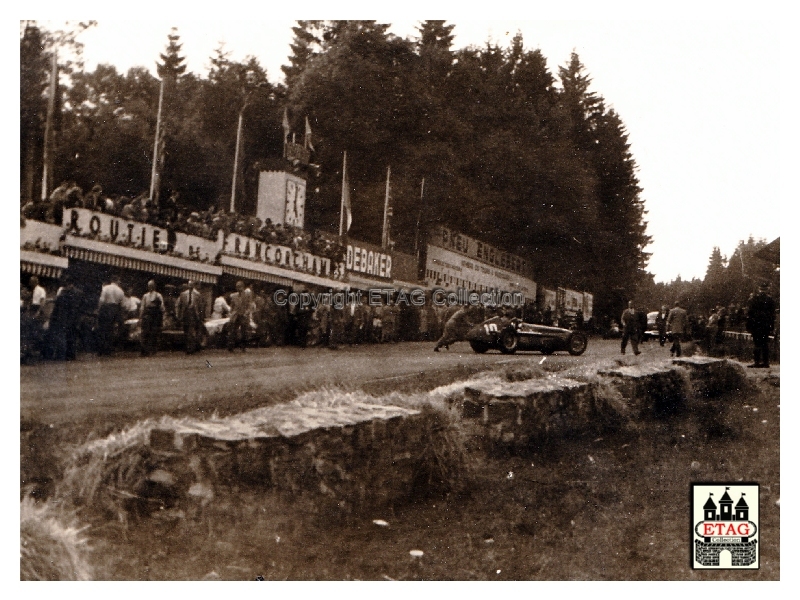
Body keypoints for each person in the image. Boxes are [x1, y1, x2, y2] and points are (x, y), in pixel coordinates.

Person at [746, 282, 776, 368]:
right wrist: (771, 326)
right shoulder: (770, 300)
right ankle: (766, 362)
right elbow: (772, 314)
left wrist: (749, 325)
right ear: (767, 290)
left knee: (757, 343)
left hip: (756, 324)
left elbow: (750, 313)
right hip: (766, 325)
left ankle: (756, 362)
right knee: (765, 343)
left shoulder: (754, 299)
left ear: (759, 289)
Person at [96, 277, 125, 356]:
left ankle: (101, 349)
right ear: (116, 281)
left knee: (102, 329)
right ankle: (108, 349)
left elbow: (101, 300)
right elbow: (122, 305)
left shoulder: (106, 288)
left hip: (106, 308)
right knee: (110, 330)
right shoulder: (121, 291)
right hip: (114, 309)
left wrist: (98, 310)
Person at [176, 280, 205, 354]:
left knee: (191, 332)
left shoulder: (197, 295)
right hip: (185, 314)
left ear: (193, 286)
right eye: (189, 285)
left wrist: (201, 316)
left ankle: (190, 348)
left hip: (193, 314)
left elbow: (201, 306)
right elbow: (178, 304)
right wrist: (178, 315)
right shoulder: (183, 294)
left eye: (192, 285)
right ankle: (188, 346)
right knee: (186, 331)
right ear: (188, 286)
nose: (190, 286)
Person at [139, 280, 165, 356]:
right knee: (145, 332)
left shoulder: (158, 295)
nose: (150, 287)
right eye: (149, 286)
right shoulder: (145, 296)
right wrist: (141, 316)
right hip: (147, 315)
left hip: (155, 316)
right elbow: (142, 307)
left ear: (154, 286)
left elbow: (162, 306)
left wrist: (162, 314)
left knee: (154, 333)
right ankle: (145, 350)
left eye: (151, 286)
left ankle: (152, 349)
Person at [227, 281, 251, 352]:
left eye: (239, 286)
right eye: (237, 287)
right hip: (235, 315)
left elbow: (249, 305)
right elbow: (232, 306)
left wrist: (247, 312)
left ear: (243, 287)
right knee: (233, 331)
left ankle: (243, 346)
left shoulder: (247, 295)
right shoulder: (234, 296)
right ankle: (231, 346)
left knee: (244, 331)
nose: (238, 288)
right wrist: (231, 313)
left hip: (243, 315)